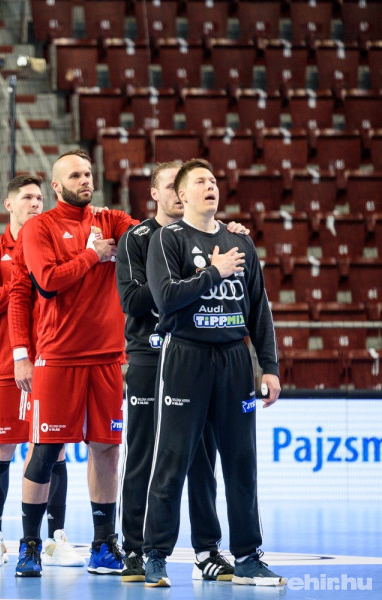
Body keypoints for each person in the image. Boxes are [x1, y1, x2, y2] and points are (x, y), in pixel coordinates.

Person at [142, 158, 284, 588]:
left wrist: (269, 367)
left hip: (235, 361)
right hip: (186, 357)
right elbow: (165, 298)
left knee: (241, 462)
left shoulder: (239, 240)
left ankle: (248, 556)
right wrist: (212, 273)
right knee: (172, 459)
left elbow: (259, 308)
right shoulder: (168, 239)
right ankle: (155, 555)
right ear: (182, 194)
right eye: (200, 181)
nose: (210, 186)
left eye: (213, 180)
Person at [116, 161, 241, 583]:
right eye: (169, 186)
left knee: (203, 458)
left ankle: (207, 551)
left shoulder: (211, 236)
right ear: (155, 193)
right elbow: (133, 301)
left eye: (180, 185)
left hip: (195, 355)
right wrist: (185, 280)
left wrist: (194, 277)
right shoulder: (138, 238)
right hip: (150, 357)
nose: (176, 193)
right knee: (146, 456)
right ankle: (136, 549)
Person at [13, 150, 136, 577]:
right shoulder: (39, 227)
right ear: (56, 186)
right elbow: (47, 282)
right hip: (58, 358)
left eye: (87, 173)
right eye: (75, 175)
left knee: (107, 450)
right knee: (46, 451)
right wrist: (92, 256)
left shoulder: (111, 220)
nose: (85, 180)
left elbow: (151, 237)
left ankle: (103, 545)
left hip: (107, 358)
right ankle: (30, 545)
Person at [0, 174, 85, 568]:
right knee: (0, 449)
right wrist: (25, 279)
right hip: (6, 364)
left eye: (39, 198)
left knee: (54, 448)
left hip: (54, 361)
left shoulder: (55, 242)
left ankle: (54, 537)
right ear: (9, 204)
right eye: (27, 198)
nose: (35, 204)